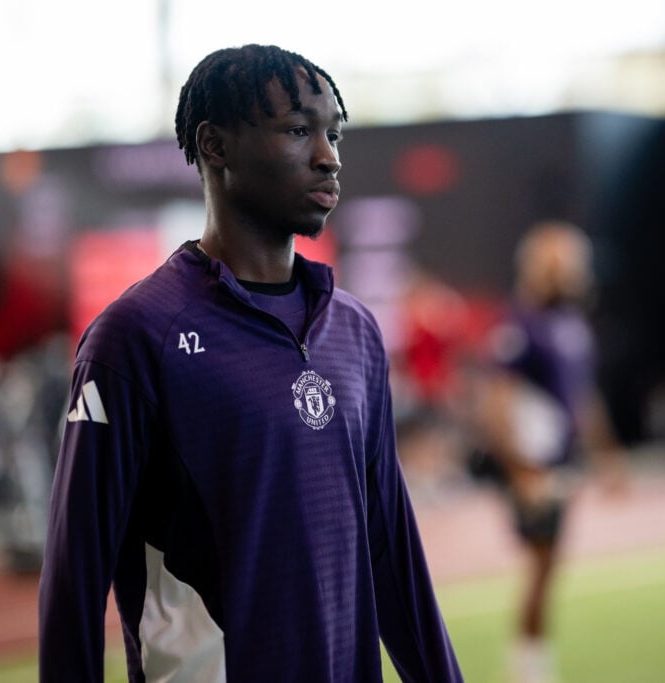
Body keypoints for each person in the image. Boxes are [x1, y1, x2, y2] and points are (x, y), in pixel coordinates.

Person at [38, 44, 463, 682]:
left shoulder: (355, 331)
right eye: (297, 130)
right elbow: (76, 576)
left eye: (333, 132)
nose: (329, 156)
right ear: (215, 146)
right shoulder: (135, 337)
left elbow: (391, 551)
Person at [468, 220, 626, 683]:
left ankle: (533, 658)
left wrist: (607, 454)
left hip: (561, 458)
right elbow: (497, 399)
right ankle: (528, 664)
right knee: (541, 561)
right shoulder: (521, 322)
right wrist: (521, 471)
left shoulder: (571, 323)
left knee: (550, 562)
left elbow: (583, 398)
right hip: (533, 461)